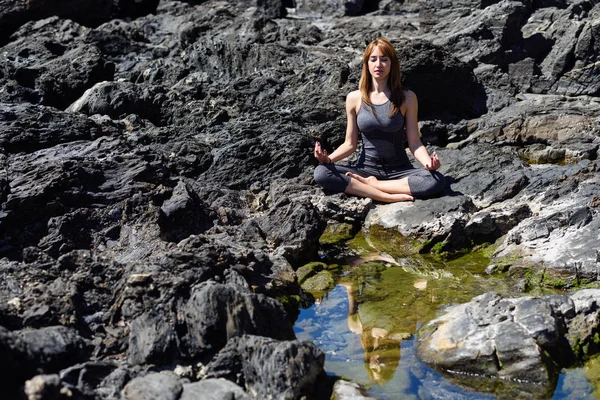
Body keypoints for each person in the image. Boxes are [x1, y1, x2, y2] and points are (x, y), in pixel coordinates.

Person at [313, 37, 446, 203]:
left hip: (399, 170)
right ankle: (383, 195)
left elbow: (414, 143)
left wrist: (428, 164)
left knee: (436, 180)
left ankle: (373, 186)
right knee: (321, 172)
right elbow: (350, 144)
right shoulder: (354, 98)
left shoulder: (407, 98)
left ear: (392, 64)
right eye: (373, 59)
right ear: (367, 64)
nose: (378, 65)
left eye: (384, 60)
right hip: (366, 168)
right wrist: (329, 159)